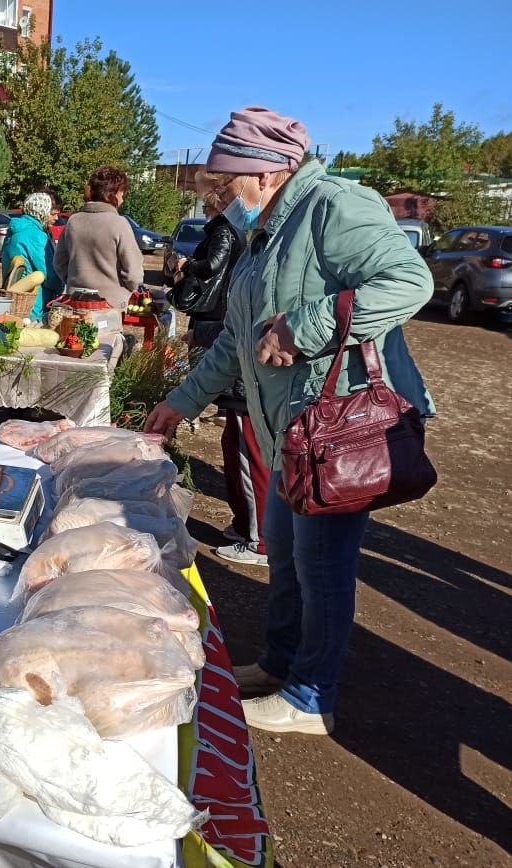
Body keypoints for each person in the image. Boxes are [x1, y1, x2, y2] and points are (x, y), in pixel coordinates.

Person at [144, 107, 434, 736]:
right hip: (288, 433)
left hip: (334, 430)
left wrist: (306, 328)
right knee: (286, 559)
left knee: (323, 566)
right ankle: (279, 664)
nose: (220, 203)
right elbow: (240, 342)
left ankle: (310, 696)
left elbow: (410, 281)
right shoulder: (265, 231)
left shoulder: (334, 207)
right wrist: (183, 400)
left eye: (227, 188)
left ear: (269, 173)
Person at [168, 191, 266, 567]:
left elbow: (240, 329)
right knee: (235, 448)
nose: (208, 205)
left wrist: (189, 266)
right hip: (240, 372)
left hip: (247, 379)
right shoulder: (250, 244)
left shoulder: (232, 236)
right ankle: (245, 526)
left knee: (248, 455)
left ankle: (259, 541)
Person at [53, 166, 143, 312]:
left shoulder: (73, 221)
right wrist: (125, 290)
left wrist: (74, 282)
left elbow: (59, 262)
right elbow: (133, 273)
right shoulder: (119, 224)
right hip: (110, 306)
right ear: (112, 192)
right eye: (122, 193)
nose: (122, 198)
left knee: (75, 335)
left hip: (75, 301)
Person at [2, 190, 64, 324]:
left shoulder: (14, 231)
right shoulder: (36, 236)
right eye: (53, 214)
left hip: (16, 303)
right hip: (35, 306)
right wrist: (63, 287)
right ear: (41, 212)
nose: (57, 218)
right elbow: (49, 274)